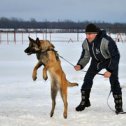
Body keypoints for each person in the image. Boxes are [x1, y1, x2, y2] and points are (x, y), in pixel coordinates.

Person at [74, 23, 123, 114]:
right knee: (87, 79)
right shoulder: (86, 42)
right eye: (86, 34)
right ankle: (85, 102)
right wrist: (80, 65)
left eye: (89, 34)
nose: (87, 36)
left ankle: (119, 107)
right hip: (96, 62)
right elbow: (85, 56)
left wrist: (110, 70)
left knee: (114, 81)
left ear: (95, 33)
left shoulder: (106, 41)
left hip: (110, 61)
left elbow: (115, 56)